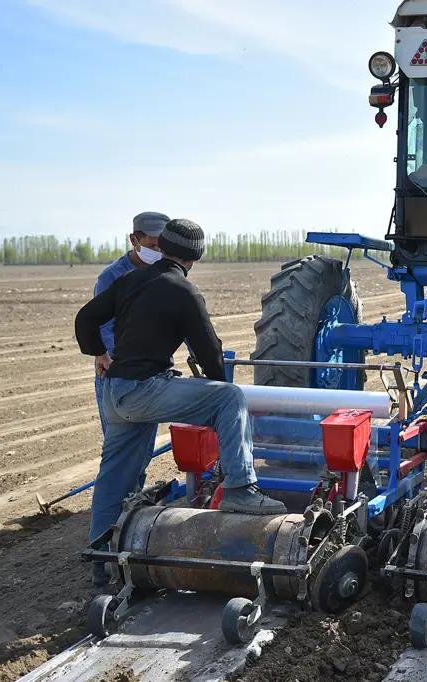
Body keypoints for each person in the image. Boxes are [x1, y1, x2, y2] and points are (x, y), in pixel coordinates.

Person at [75, 218, 286, 585]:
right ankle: (240, 489)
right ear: (195, 257)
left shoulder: (130, 280)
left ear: (163, 248)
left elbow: (85, 319)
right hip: (145, 389)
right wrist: (219, 392)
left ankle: (102, 557)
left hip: (115, 392)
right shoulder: (183, 291)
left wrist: (98, 353)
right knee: (230, 398)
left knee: (115, 475)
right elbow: (209, 352)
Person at [93, 212, 169, 439]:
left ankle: (138, 474)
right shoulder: (111, 277)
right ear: (134, 240)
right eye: (152, 246)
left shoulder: (165, 273)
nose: (157, 253)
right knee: (117, 443)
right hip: (117, 371)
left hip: (150, 372)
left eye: (162, 247)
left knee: (143, 442)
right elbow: (104, 326)